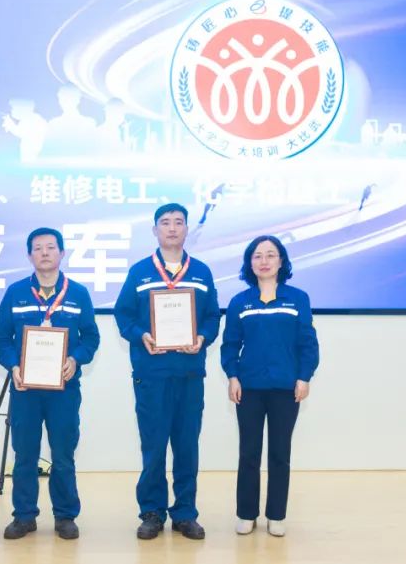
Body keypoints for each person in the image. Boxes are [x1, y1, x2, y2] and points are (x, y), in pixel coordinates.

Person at [114, 203, 221, 540]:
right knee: (154, 446)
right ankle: (152, 512)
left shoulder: (201, 272)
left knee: (187, 447)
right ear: (155, 230)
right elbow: (123, 315)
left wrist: (202, 337)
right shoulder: (140, 272)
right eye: (165, 222)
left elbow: (212, 317)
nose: (172, 228)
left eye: (178, 222)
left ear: (187, 229)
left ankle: (185, 513)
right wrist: (141, 335)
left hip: (189, 374)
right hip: (152, 374)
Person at [0, 227, 100, 540]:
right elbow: (1, 338)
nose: (44, 253)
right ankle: (24, 516)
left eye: (50, 247)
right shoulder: (15, 293)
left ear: (61, 253)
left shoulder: (78, 293)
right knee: (24, 455)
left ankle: (65, 516)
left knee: (63, 454)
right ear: (29, 255)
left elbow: (91, 337)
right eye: (38, 248)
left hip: (64, 390)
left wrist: (75, 359)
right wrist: (13, 365)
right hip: (25, 390)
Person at [220, 235, 319, 538]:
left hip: (286, 388)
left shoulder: (297, 299)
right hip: (249, 388)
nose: (264, 261)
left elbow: (308, 343)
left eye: (270, 255)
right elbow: (230, 345)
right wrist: (232, 376)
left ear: (281, 261)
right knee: (248, 452)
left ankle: (276, 515)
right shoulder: (240, 302)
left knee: (280, 453)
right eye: (257, 256)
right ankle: (246, 514)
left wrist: (304, 377)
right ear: (250, 263)